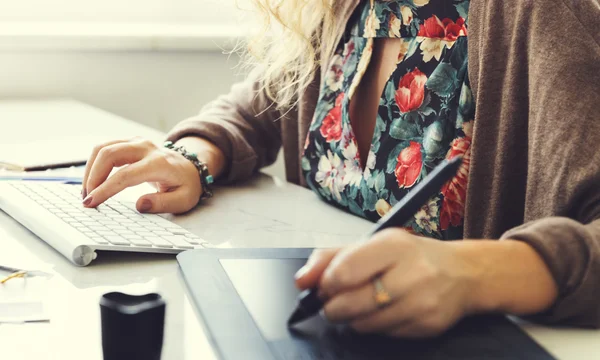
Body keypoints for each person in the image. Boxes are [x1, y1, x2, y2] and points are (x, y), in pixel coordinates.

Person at [81, 0, 600, 337]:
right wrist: (193, 155)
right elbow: (249, 109)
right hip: (324, 328)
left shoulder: (544, 13)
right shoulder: (343, 9)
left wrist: (469, 273)